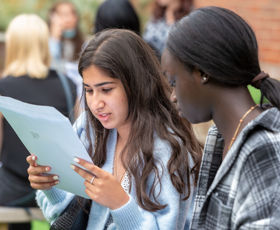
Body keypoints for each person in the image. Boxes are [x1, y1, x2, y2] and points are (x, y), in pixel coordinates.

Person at [26, 29, 201, 230]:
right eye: (88, 90)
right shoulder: (88, 128)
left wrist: (120, 204)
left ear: (136, 84)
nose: (95, 103)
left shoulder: (167, 148)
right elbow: (63, 216)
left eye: (106, 90)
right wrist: (51, 185)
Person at [162, 6, 280, 229]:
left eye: (174, 82)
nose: (173, 97)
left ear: (202, 73)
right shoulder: (221, 137)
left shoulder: (264, 151)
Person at [0, 14, 76, 230]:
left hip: (15, 187)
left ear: (13, 45)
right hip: (59, 185)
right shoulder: (67, 84)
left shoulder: (3, 88)